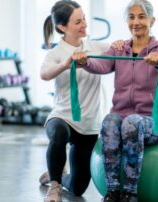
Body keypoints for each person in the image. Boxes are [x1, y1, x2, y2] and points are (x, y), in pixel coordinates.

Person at [71, 0, 158, 201]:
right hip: (124, 118)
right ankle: (112, 191)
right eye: (131, 17)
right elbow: (101, 64)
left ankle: (130, 193)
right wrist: (85, 61)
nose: (136, 22)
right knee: (110, 121)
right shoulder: (119, 49)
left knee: (131, 123)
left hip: (156, 122)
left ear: (152, 21)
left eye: (141, 16)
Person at [39, 1, 123, 201]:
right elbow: (44, 73)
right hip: (63, 117)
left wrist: (120, 44)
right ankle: (55, 185)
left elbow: (119, 51)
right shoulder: (55, 53)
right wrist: (65, 65)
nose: (84, 24)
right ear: (62, 27)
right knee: (58, 133)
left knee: (77, 188)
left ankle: (55, 174)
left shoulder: (96, 47)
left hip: (89, 125)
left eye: (84, 18)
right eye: (78, 21)